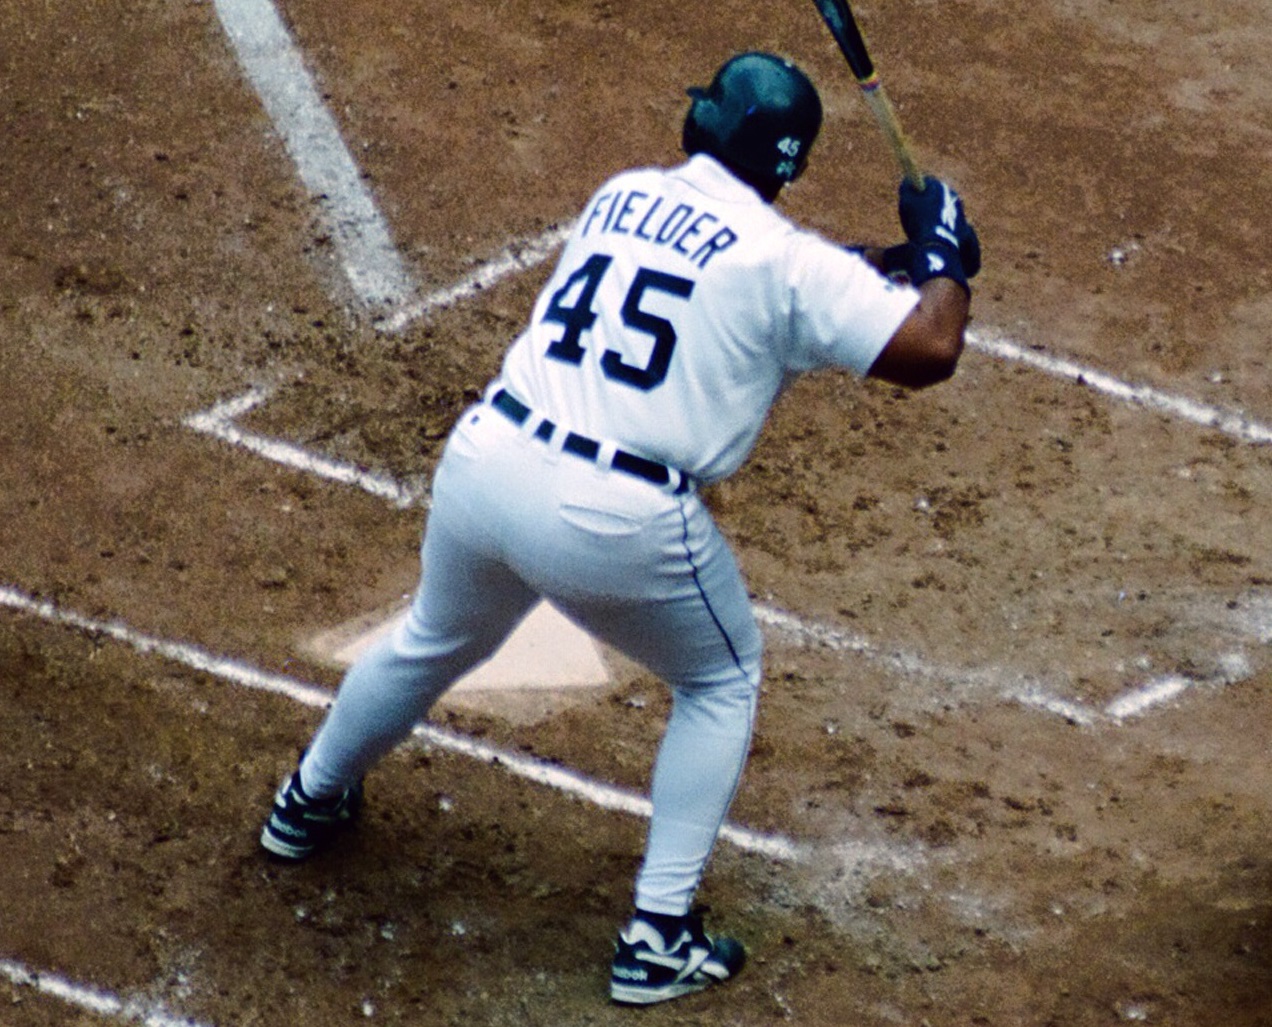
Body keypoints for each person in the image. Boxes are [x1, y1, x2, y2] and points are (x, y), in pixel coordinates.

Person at [258, 50, 979, 1006]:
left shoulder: (627, 194)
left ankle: (306, 800)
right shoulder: (786, 265)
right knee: (723, 677)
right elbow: (927, 347)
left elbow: (764, 283)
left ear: (713, 132)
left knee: (433, 637)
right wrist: (945, 263)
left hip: (486, 463)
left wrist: (896, 266)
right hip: (612, 518)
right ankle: (658, 935)